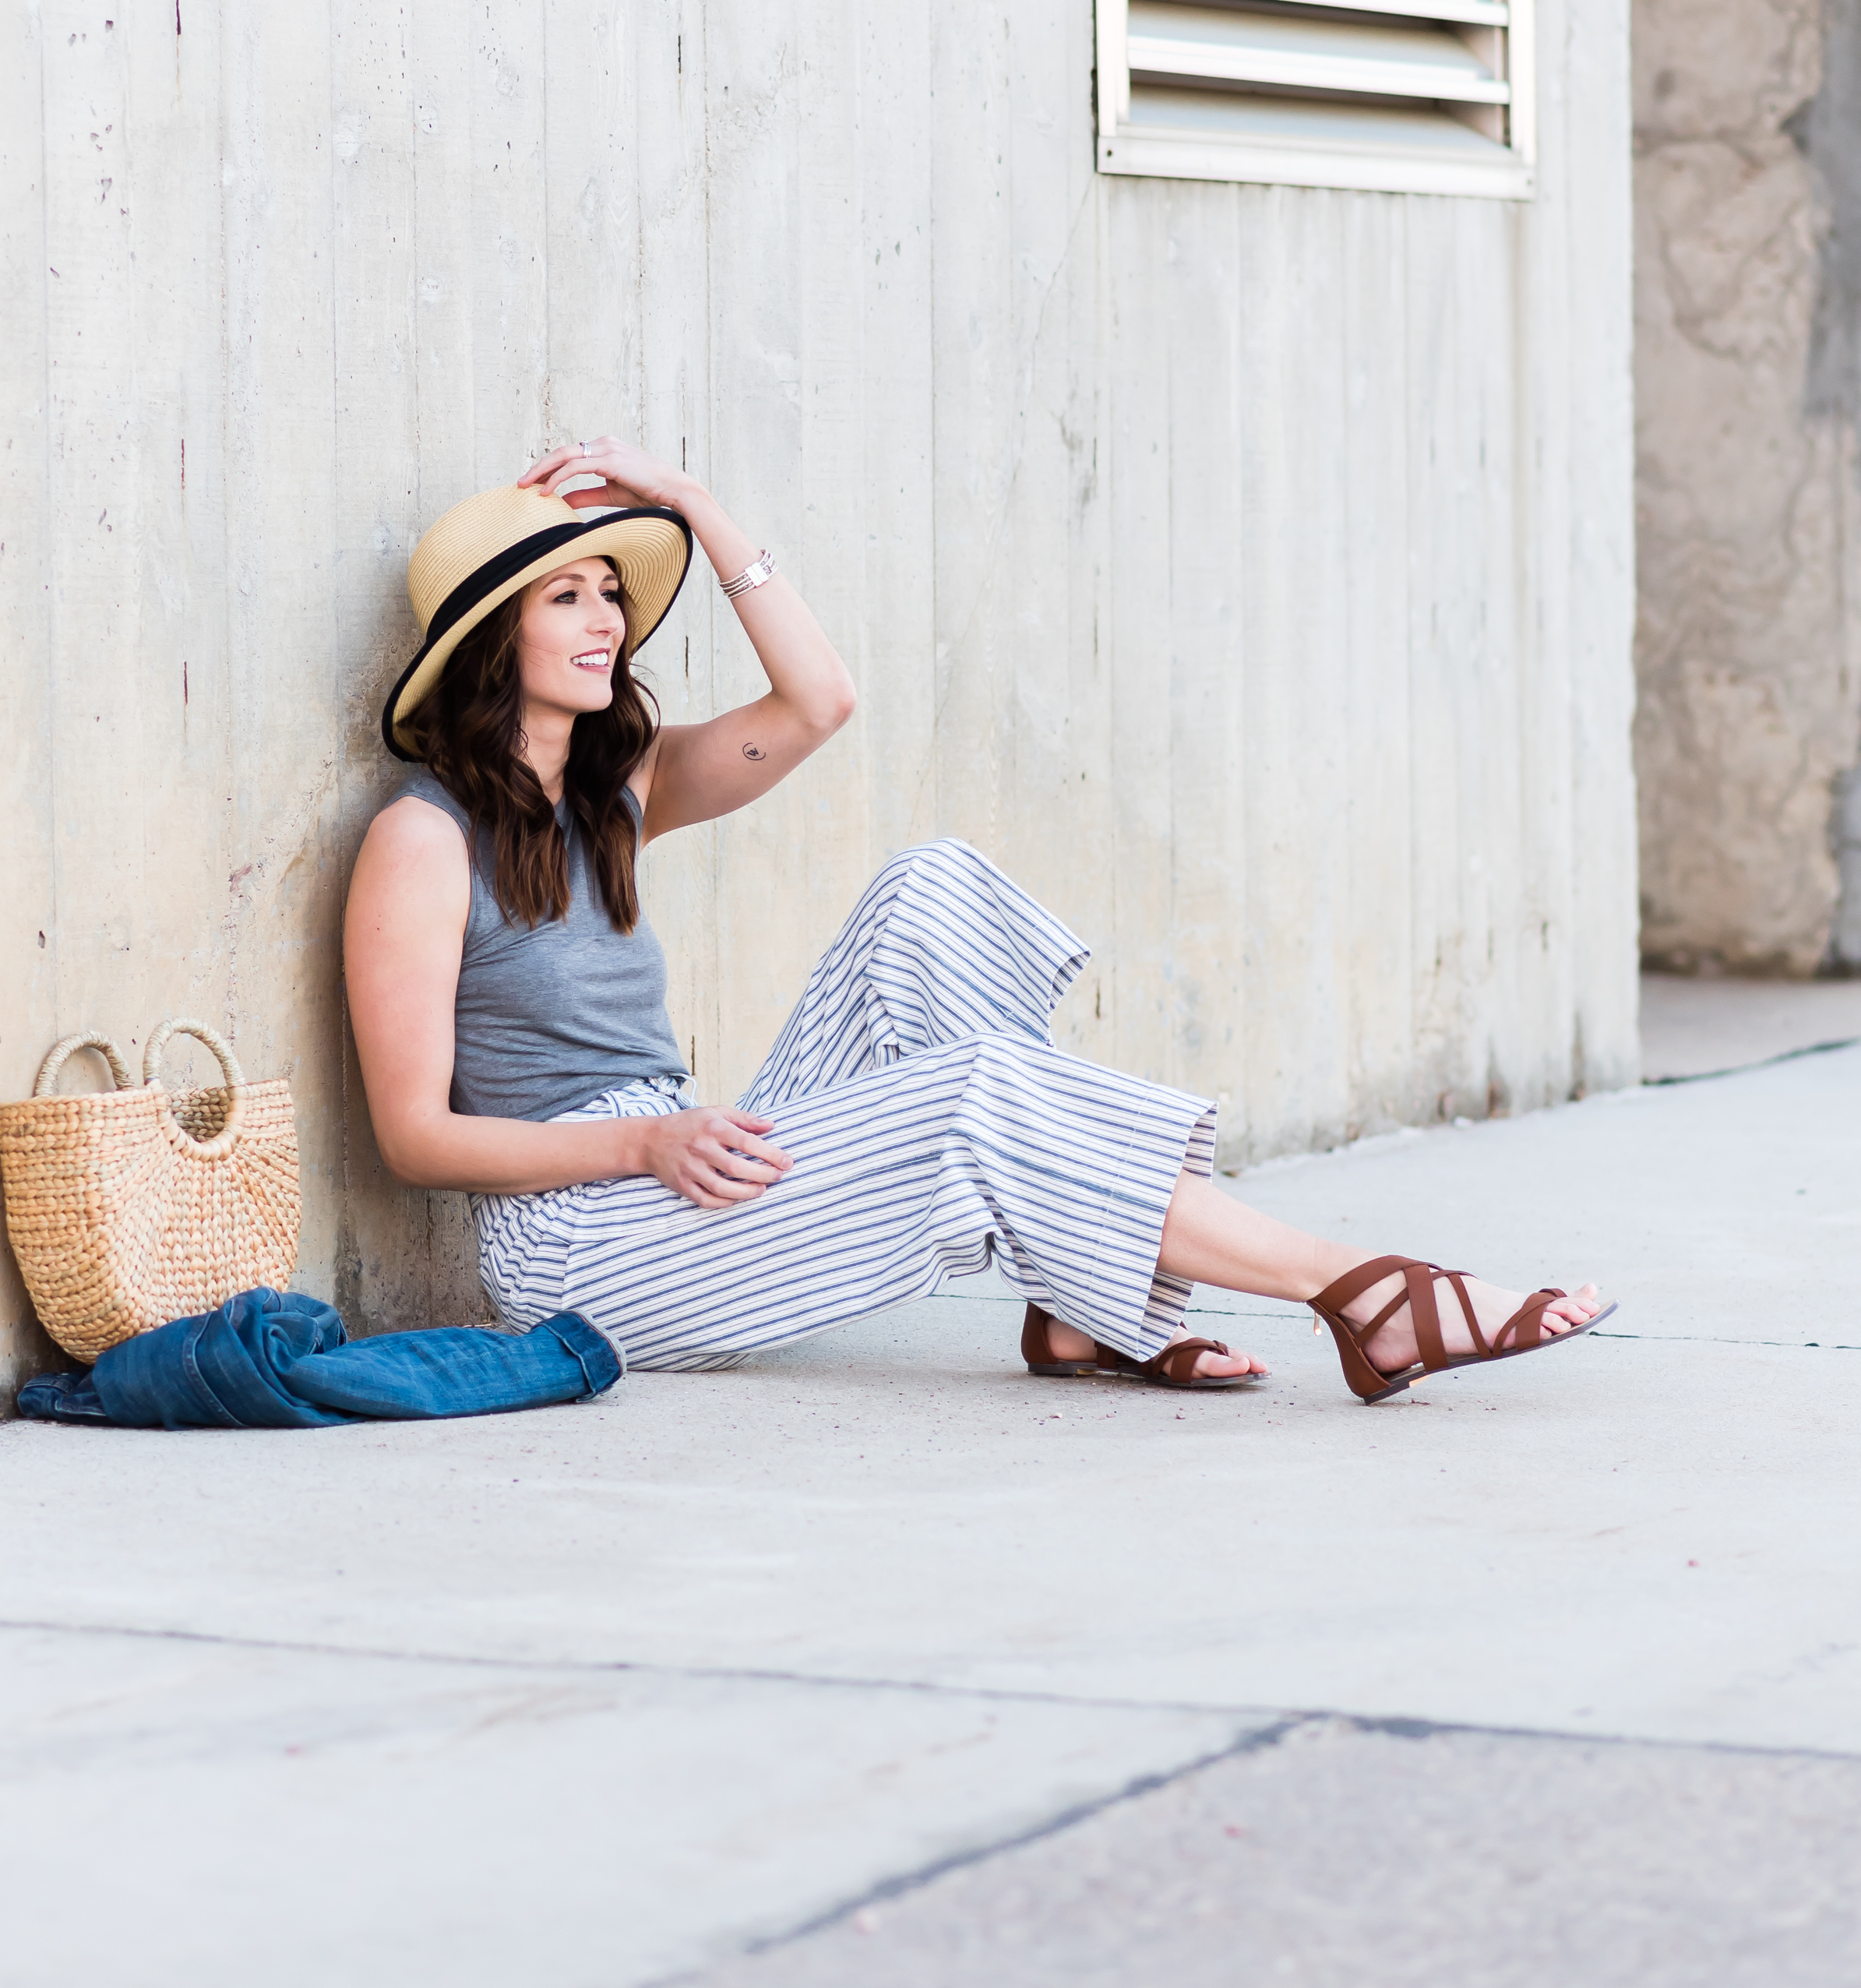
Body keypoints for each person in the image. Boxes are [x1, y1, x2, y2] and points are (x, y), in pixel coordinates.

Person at [344, 439, 1612, 1398]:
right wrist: (643, 1147)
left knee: (929, 889)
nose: (606, 621)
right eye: (564, 597)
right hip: (583, 1242)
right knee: (974, 1092)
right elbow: (415, 1138)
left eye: (609, 591)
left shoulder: (612, 792)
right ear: (487, 637)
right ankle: (1358, 1291)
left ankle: (1076, 1304)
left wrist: (698, 510)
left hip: (684, 1156)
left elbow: (820, 699)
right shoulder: (422, 838)